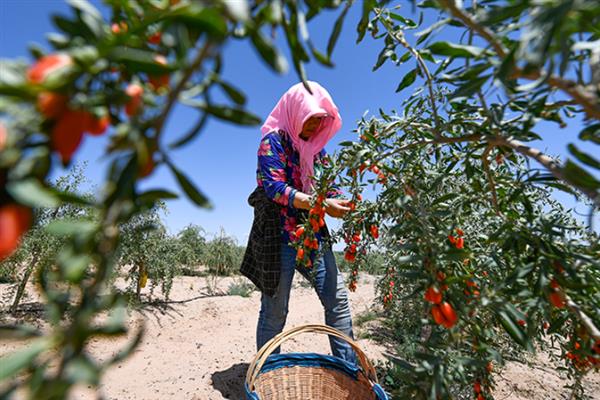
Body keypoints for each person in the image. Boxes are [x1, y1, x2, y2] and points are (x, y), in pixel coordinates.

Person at [240, 81, 356, 364]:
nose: (315, 128)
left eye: (320, 121)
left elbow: (330, 188)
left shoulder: (318, 152)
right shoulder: (273, 142)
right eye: (310, 120)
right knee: (275, 310)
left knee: (337, 301)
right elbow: (274, 188)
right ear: (295, 113)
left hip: (312, 234)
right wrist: (319, 204)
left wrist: (343, 203)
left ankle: (350, 370)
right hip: (278, 235)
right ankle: (266, 377)